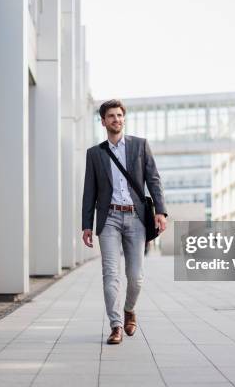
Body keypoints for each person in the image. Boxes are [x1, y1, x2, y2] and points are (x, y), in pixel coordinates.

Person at [81, 99, 167, 345]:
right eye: (111, 116)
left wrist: (160, 211)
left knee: (136, 275)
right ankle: (116, 325)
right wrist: (87, 224)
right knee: (110, 274)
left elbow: (153, 179)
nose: (116, 119)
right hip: (109, 218)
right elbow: (90, 190)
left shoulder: (140, 146)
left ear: (123, 118)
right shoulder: (95, 154)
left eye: (119, 115)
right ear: (103, 121)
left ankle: (130, 309)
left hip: (136, 218)